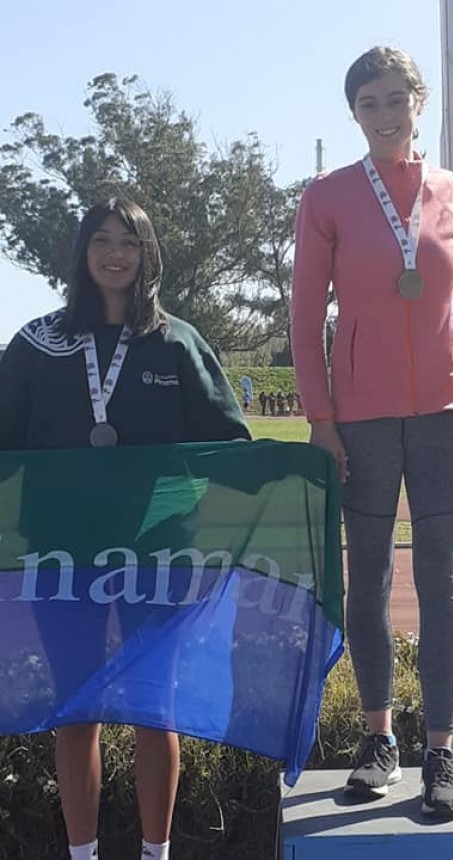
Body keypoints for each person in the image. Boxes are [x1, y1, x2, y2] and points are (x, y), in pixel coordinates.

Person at [0, 197, 251, 860]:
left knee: (152, 711)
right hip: (63, 557)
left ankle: (155, 852)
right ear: (82, 254)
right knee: (75, 711)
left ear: (148, 255)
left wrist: (303, 470)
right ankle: (81, 855)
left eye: (130, 242)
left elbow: (230, 443)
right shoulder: (35, 343)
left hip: (158, 555)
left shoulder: (176, 341)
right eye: (102, 241)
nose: (116, 254)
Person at [290, 46, 453, 818]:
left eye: (395, 99)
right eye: (368, 103)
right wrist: (321, 417)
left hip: (445, 413)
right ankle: (379, 738)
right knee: (369, 577)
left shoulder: (451, 191)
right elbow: (305, 316)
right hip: (362, 418)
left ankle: (439, 753)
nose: (384, 114)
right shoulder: (329, 197)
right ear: (354, 113)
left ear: (420, 102)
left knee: (440, 581)